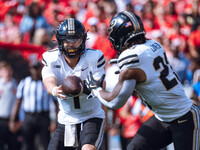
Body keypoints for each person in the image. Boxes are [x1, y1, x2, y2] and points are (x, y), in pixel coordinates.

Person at [86, 11, 200, 150]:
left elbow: (115, 102)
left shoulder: (131, 59)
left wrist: (96, 88)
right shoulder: (153, 44)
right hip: (162, 117)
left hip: (184, 117)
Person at [41, 18, 106, 150]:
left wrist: (80, 86)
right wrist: (54, 89)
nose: (71, 44)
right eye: (67, 40)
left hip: (91, 116)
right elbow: (48, 79)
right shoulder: (51, 58)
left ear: (82, 40)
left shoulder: (94, 57)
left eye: (75, 40)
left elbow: (101, 85)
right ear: (60, 41)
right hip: (66, 118)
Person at [9, 60, 58, 150]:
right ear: (30, 69)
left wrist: (55, 121)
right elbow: (18, 102)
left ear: (41, 69)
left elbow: (56, 103)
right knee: (27, 144)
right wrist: (13, 119)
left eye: (38, 68)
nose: (35, 71)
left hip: (43, 116)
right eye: (33, 69)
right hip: (28, 117)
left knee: (46, 143)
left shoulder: (46, 83)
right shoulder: (24, 82)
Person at [0, 61, 21, 150]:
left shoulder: (16, 85)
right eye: (4, 70)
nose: (7, 73)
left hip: (12, 120)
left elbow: (20, 103)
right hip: (1, 120)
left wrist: (19, 121)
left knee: (13, 145)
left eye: (8, 70)